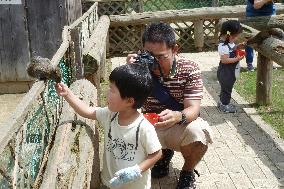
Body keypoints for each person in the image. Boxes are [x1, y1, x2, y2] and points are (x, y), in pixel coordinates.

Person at [127, 22, 213, 189]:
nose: (154, 63)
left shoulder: (190, 69)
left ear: (175, 49)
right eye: (149, 56)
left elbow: (193, 109)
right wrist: (130, 72)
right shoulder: (141, 67)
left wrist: (178, 116)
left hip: (177, 122)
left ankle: (187, 172)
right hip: (150, 124)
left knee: (200, 133)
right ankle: (163, 155)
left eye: (160, 57)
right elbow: (125, 102)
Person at [55, 63, 162, 189]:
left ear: (129, 101)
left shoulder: (144, 128)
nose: (107, 92)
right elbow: (87, 111)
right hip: (109, 183)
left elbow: (156, 153)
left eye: (112, 90)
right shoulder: (110, 115)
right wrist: (68, 94)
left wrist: (136, 170)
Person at [217, 20, 244, 113]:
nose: (236, 38)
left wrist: (238, 46)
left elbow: (232, 48)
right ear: (230, 35)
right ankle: (225, 106)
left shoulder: (228, 42)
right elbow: (225, 60)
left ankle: (221, 102)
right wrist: (237, 59)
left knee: (225, 88)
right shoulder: (223, 46)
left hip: (229, 71)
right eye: (235, 36)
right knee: (227, 90)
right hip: (226, 72)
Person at [245, 0, 276, 71]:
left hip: (269, 10)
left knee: (271, 36)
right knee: (250, 37)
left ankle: (270, 61)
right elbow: (256, 5)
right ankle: (249, 63)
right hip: (254, 11)